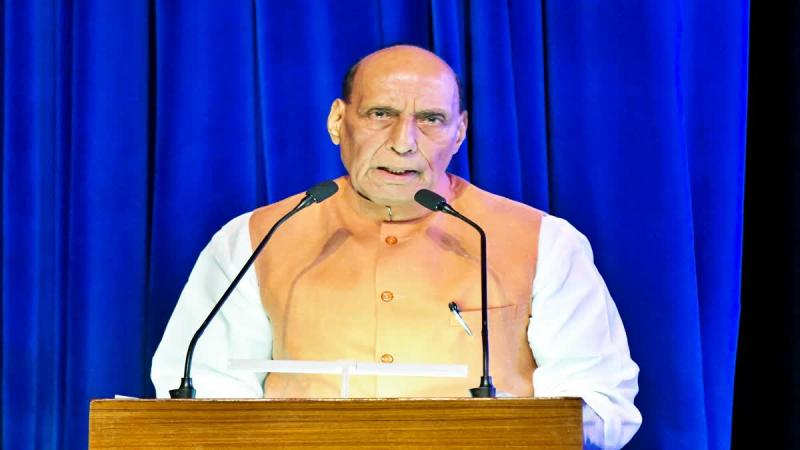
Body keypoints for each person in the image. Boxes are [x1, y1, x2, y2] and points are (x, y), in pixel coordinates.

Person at [152, 45, 641, 448]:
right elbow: (203, 389)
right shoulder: (256, 237)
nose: (404, 141)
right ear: (338, 121)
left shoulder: (543, 241)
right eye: (381, 114)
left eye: (430, 119)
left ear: (459, 132)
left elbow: (601, 402)